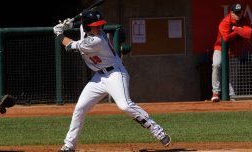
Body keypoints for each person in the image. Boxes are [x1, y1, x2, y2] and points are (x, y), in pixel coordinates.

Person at [53, 10, 171, 152]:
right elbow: (82, 25)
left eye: (100, 25)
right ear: (88, 26)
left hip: (115, 74)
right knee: (80, 108)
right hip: (99, 78)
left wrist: (59, 33)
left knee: (124, 106)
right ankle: (69, 145)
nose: (99, 28)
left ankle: (157, 129)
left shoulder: (97, 40)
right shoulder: (85, 28)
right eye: (96, 26)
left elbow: (69, 46)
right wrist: (70, 24)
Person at [211, 3, 252, 102]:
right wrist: (238, 30)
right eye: (236, 13)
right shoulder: (225, 22)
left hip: (234, 51)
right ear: (232, 13)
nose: (238, 14)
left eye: (240, 12)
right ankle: (216, 92)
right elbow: (225, 38)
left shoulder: (244, 20)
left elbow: (249, 34)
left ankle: (232, 96)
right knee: (216, 65)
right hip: (220, 49)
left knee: (233, 73)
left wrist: (235, 29)